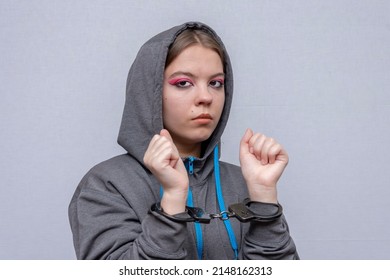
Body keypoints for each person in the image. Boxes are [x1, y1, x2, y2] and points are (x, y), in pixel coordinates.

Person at [68, 21, 299, 260]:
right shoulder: (106, 185)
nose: (205, 97)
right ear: (150, 92)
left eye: (215, 83)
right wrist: (172, 202)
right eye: (183, 83)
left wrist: (263, 199)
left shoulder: (244, 182)